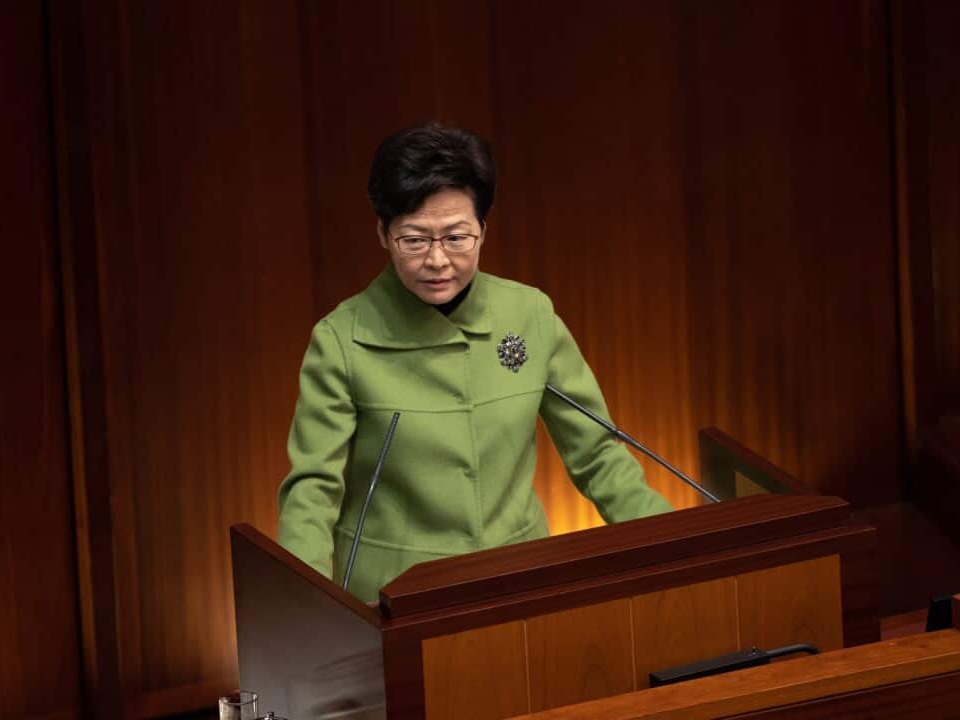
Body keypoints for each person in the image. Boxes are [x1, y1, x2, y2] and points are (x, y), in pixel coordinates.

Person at [277, 122, 673, 602]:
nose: (437, 260)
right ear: (383, 233)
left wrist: (677, 543)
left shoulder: (529, 315)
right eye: (414, 240)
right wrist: (304, 608)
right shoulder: (341, 339)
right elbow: (313, 490)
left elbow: (597, 455)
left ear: (483, 230)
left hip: (520, 579)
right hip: (394, 594)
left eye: (456, 237)